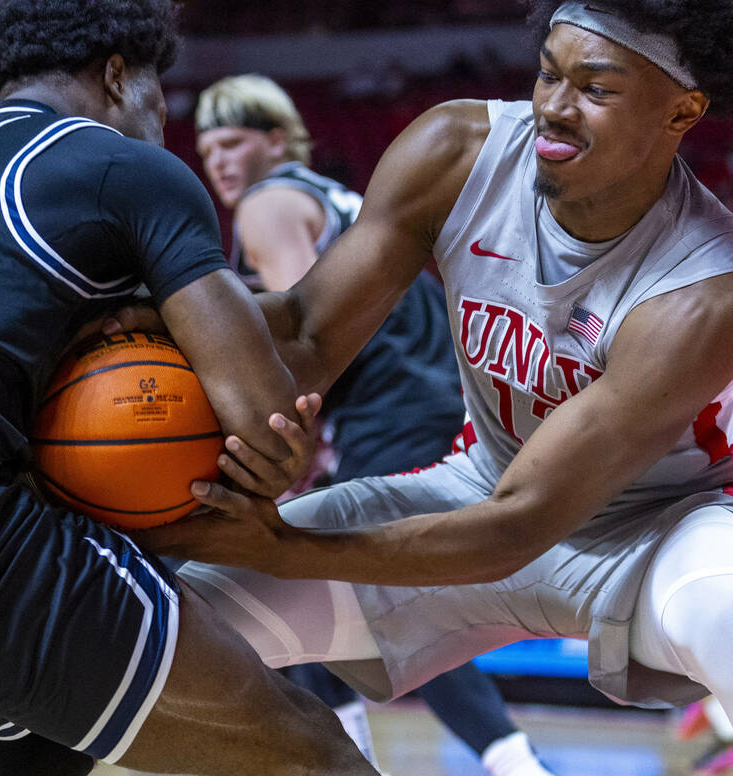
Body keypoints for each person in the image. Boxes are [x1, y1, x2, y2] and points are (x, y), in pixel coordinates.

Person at [127, 3, 733, 775]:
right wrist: (130, 314)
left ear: (682, 108)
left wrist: (287, 546)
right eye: (550, 71)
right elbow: (303, 339)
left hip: (663, 528)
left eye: (596, 88)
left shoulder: (708, 289)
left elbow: (519, 527)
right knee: (144, 622)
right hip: (481, 483)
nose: (554, 103)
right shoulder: (457, 150)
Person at [0, 2, 378, 775]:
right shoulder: (123, 168)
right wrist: (255, 442)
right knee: (312, 752)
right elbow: (266, 423)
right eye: (159, 89)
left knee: (53, 739)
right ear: (118, 73)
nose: (162, 117)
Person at [194, 72, 553, 776]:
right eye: (208, 151)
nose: (221, 164)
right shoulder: (339, 198)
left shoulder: (268, 208)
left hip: (397, 411)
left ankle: (513, 762)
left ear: (276, 140)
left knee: (344, 596)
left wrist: (276, 450)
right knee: (331, 606)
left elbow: (310, 347)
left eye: (234, 143)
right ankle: (375, 755)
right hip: (452, 400)